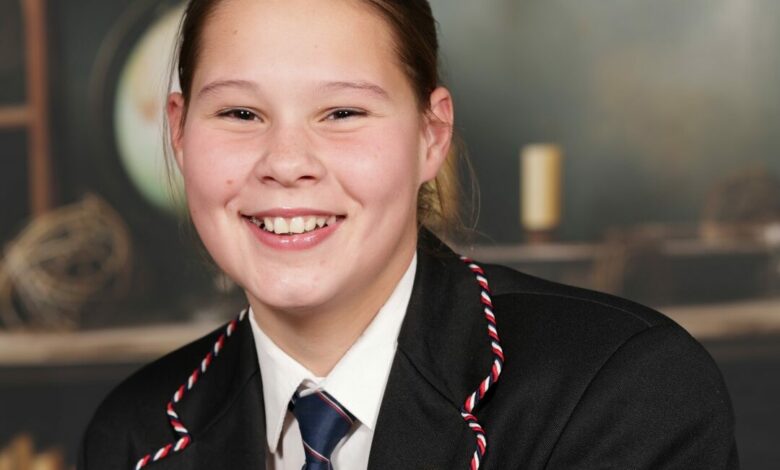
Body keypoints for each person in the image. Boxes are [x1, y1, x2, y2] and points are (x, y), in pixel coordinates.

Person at [79, 0, 738, 469]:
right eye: (240, 112)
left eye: (342, 112)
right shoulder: (132, 435)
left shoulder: (624, 392)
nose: (285, 163)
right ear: (178, 131)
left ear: (431, 135)